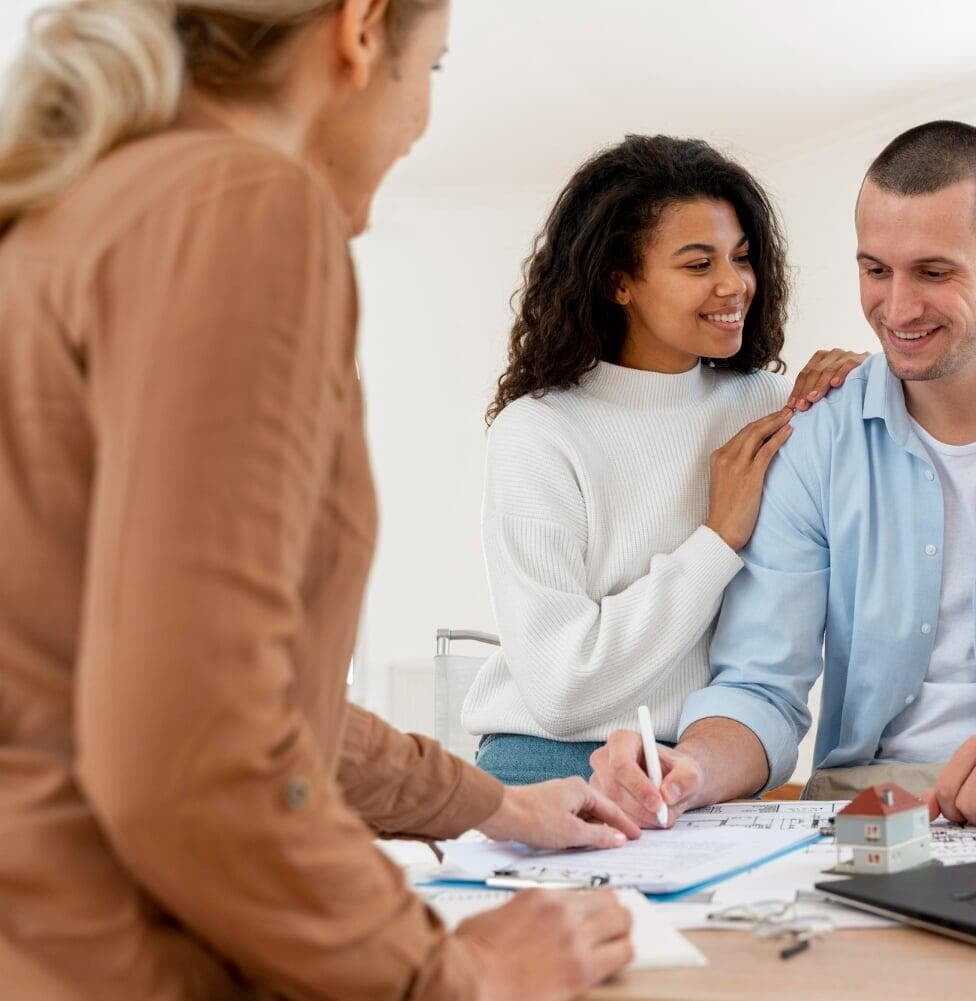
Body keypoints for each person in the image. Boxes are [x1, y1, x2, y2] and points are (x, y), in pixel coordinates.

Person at [0, 3, 640, 998]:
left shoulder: (68, 217)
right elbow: (195, 757)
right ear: (362, 30)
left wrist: (494, 803)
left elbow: (228, 692)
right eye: (432, 67)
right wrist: (455, 971)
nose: (420, 114)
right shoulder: (242, 202)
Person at [589, 120, 976, 830]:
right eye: (875, 270)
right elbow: (760, 688)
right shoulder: (816, 440)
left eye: (934, 272)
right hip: (866, 805)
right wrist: (691, 769)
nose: (896, 310)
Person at [465, 134, 867, 785]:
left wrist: (859, 389)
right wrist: (716, 538)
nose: (733, 283)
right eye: (697, 264)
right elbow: (561, 690)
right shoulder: (539, 432)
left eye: (741, 257)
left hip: (711, 761)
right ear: (619, 282)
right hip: (550, 763)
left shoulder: (770, 405)